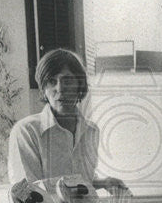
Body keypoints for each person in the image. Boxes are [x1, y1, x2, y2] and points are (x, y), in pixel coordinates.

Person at [7, 48, 127, 193]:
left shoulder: (91, 131)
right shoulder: (26, 131)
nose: (60, 88)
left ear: (79, 85)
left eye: (68, 80)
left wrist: (103, 182)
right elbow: (29, 192)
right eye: (52, 81)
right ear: (44, 88)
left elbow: (76, 180)